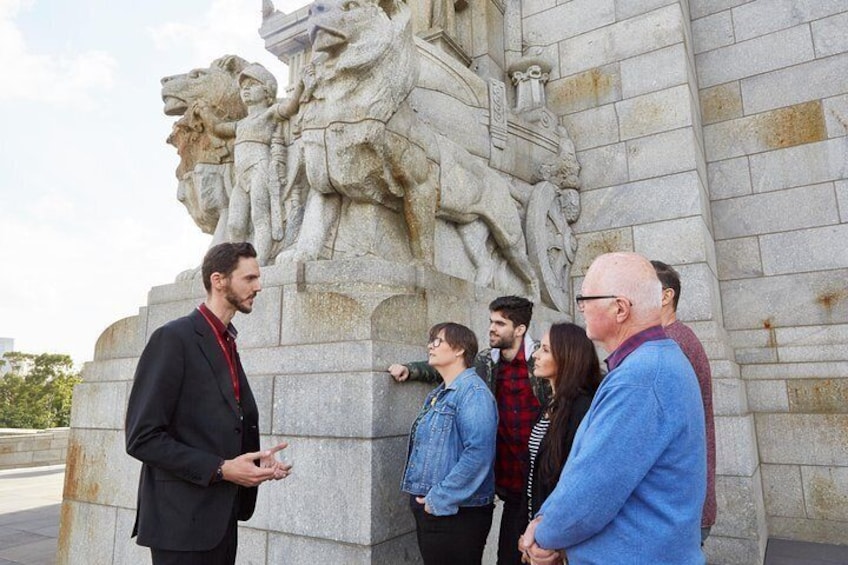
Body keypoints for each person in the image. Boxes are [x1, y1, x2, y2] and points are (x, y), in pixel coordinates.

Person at [519, 252, 706, 565]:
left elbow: (594, 489)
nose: (582, 308)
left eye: (586, 298)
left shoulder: (640, 377)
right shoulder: (651, 363)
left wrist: (544, 534)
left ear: (619, 308)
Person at [126, 242, 291, 565]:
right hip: (181, 525)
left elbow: (218, 426)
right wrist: (222, 468)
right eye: (249, 278)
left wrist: (256, 465)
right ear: (219, 280)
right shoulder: (173, 339)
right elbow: (141, 438)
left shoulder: (227, 340)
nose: (258, 286)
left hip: (221, 517)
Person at [389, 296, 550, 565]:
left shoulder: (539, 363)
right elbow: (451, 369)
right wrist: (411, 369)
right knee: (508, 558)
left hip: (539, 478)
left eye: (500, 323)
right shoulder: (486, 362)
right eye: (491, 321)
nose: (491, 328)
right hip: (507, 479)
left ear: (520, 329)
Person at [400, 322, 498, 565]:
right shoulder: (440, 393)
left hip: (457, 513)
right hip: (437, 511)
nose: (430, 346)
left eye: (438, 341)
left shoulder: (473, 393)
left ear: (459, 350)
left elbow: (478, 454)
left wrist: (438, 499)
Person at [200, 64, 302, 265]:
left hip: (259, 168)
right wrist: (204, 111)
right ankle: (237, 265)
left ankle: (261, 261)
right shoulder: (241, 123)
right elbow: (219, 128)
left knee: (259, 216)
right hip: (241, 177)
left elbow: (290, 107)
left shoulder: (269, 113)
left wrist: (300, 85)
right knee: (235, 224)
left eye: (252, 84)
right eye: (243, 86)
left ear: (267, 91)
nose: (245, 89)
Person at [651, 260, 717, 543]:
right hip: (681, 506)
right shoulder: (673, 339)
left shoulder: (671, 343)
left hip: (677, 510)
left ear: (667, 296)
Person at [524, 323, 601, 524]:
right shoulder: (550, 404)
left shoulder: (582, 409)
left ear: (567, 356)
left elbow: (577, 481)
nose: (536, 355)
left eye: (545, 350)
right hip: (538, 520)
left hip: (561, 526)